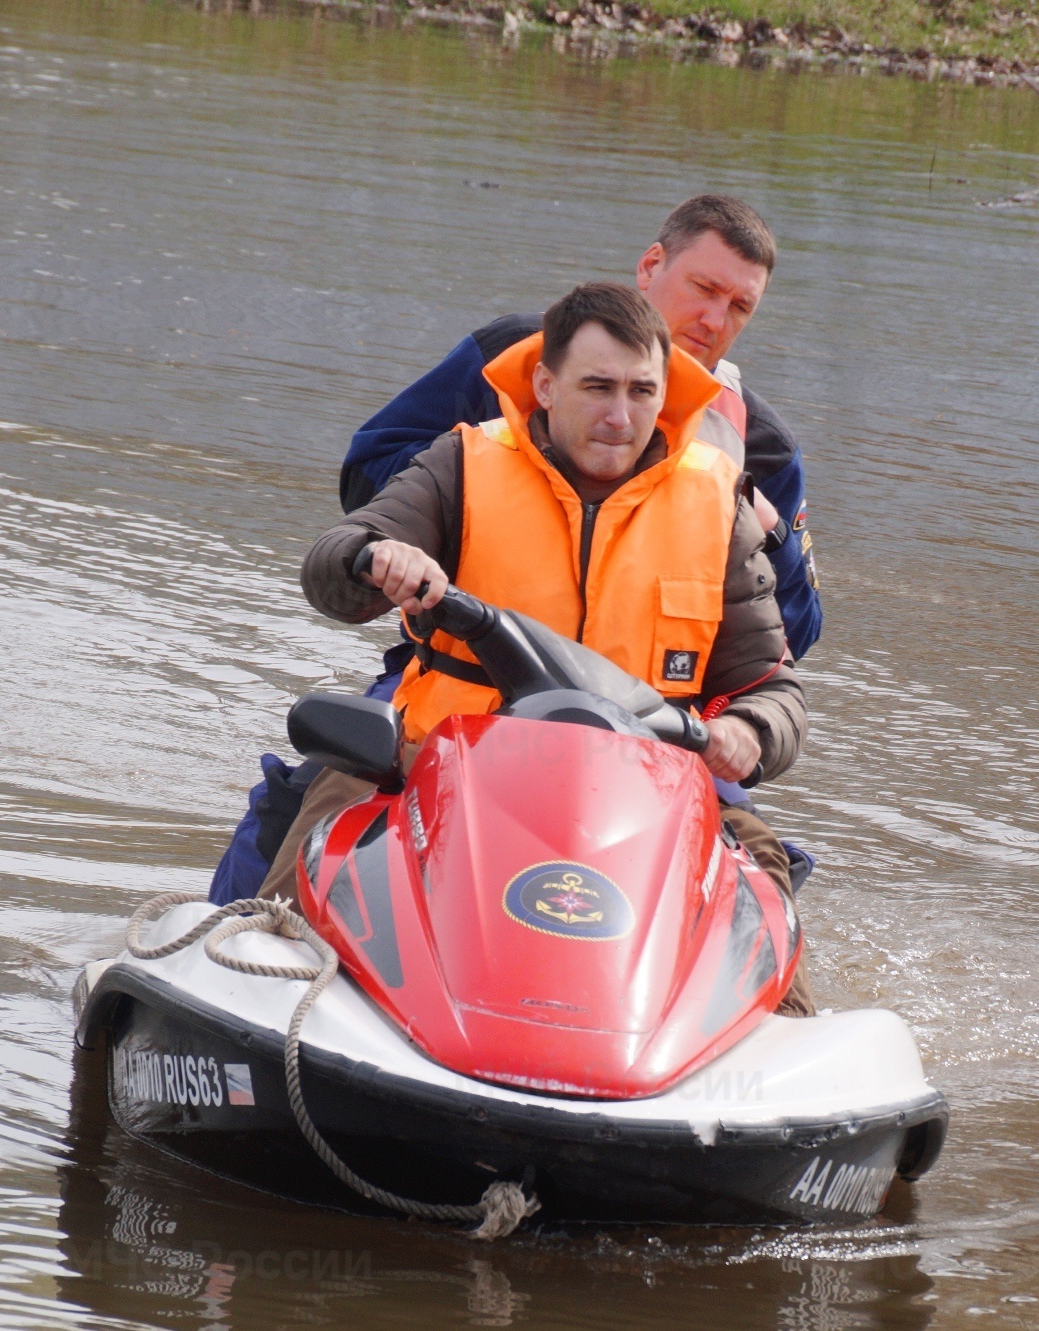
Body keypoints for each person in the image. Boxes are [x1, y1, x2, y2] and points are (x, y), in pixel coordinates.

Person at [259, 281, 814, 1015]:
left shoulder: (719, 506)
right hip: (434, 763)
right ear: (547, 386)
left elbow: (776, 688)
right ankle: (258, 981)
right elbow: (334, 559)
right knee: (327, 823)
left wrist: (751, 729)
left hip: (645, 791)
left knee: (763, 875)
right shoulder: (462, 465)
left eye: (642, 390)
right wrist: (379, 559)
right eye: (597, 388)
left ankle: (777, 1060)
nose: (621, 416)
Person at [341, 194, 820, 665]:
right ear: (651, 266)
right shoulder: (514, 358)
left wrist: (770, 533)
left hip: (645, 711)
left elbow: (795, 635)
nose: (715, 320)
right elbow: (364, 475)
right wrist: (468, 498)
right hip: (471, 665)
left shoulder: (763, 449)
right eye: (704, 289)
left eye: (740, 306)